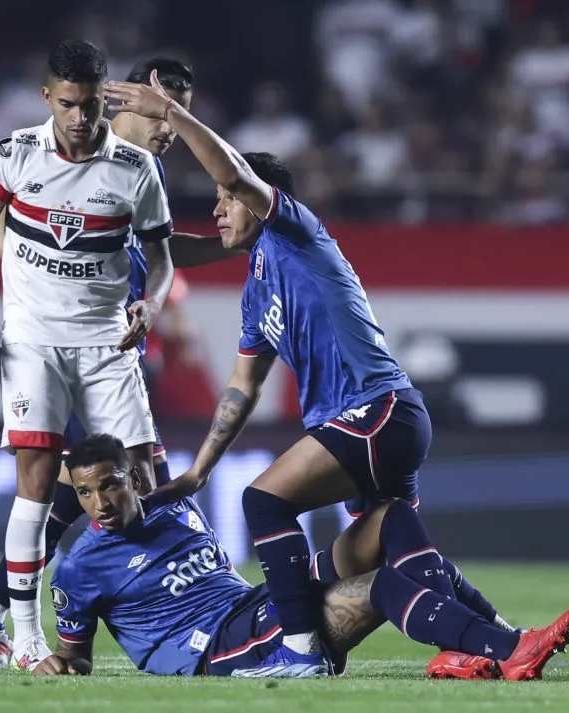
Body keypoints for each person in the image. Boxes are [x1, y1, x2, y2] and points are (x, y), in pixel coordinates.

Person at [103, 73, 454, 676]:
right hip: (359, 420)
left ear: (256, 198)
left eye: (223, 198)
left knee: (265, 502)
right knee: (398, 544)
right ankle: (501, 639)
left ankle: (299, 647)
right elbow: (242, 388)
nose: (217, 206)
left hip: (371, 408)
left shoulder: (295, 230)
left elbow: (237, 174)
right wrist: (197, 471)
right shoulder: (255, 287)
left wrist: (173, 115)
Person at [0, 57, 245, 669]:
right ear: (123, 101)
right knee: (141, 483)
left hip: (108, 350)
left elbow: (163, 251)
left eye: (180, 112)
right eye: (163, 109)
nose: (171, 125)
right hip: (63, 347)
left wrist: (228, 244)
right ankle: (198, 601)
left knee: (70, 501)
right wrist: (29, 271)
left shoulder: (136, 174)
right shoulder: (62, 159)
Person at [31, 434, 569, 680]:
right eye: (85, 493)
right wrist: (62, 662)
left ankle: (479, 642)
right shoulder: (79, 565)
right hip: (223, 648)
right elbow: (78, 656)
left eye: (109, 485)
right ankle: (509, 649)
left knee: (390, 517)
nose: (99, 503)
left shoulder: (175, 509)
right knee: (383, 586)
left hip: (257, 606)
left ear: (132, 477)